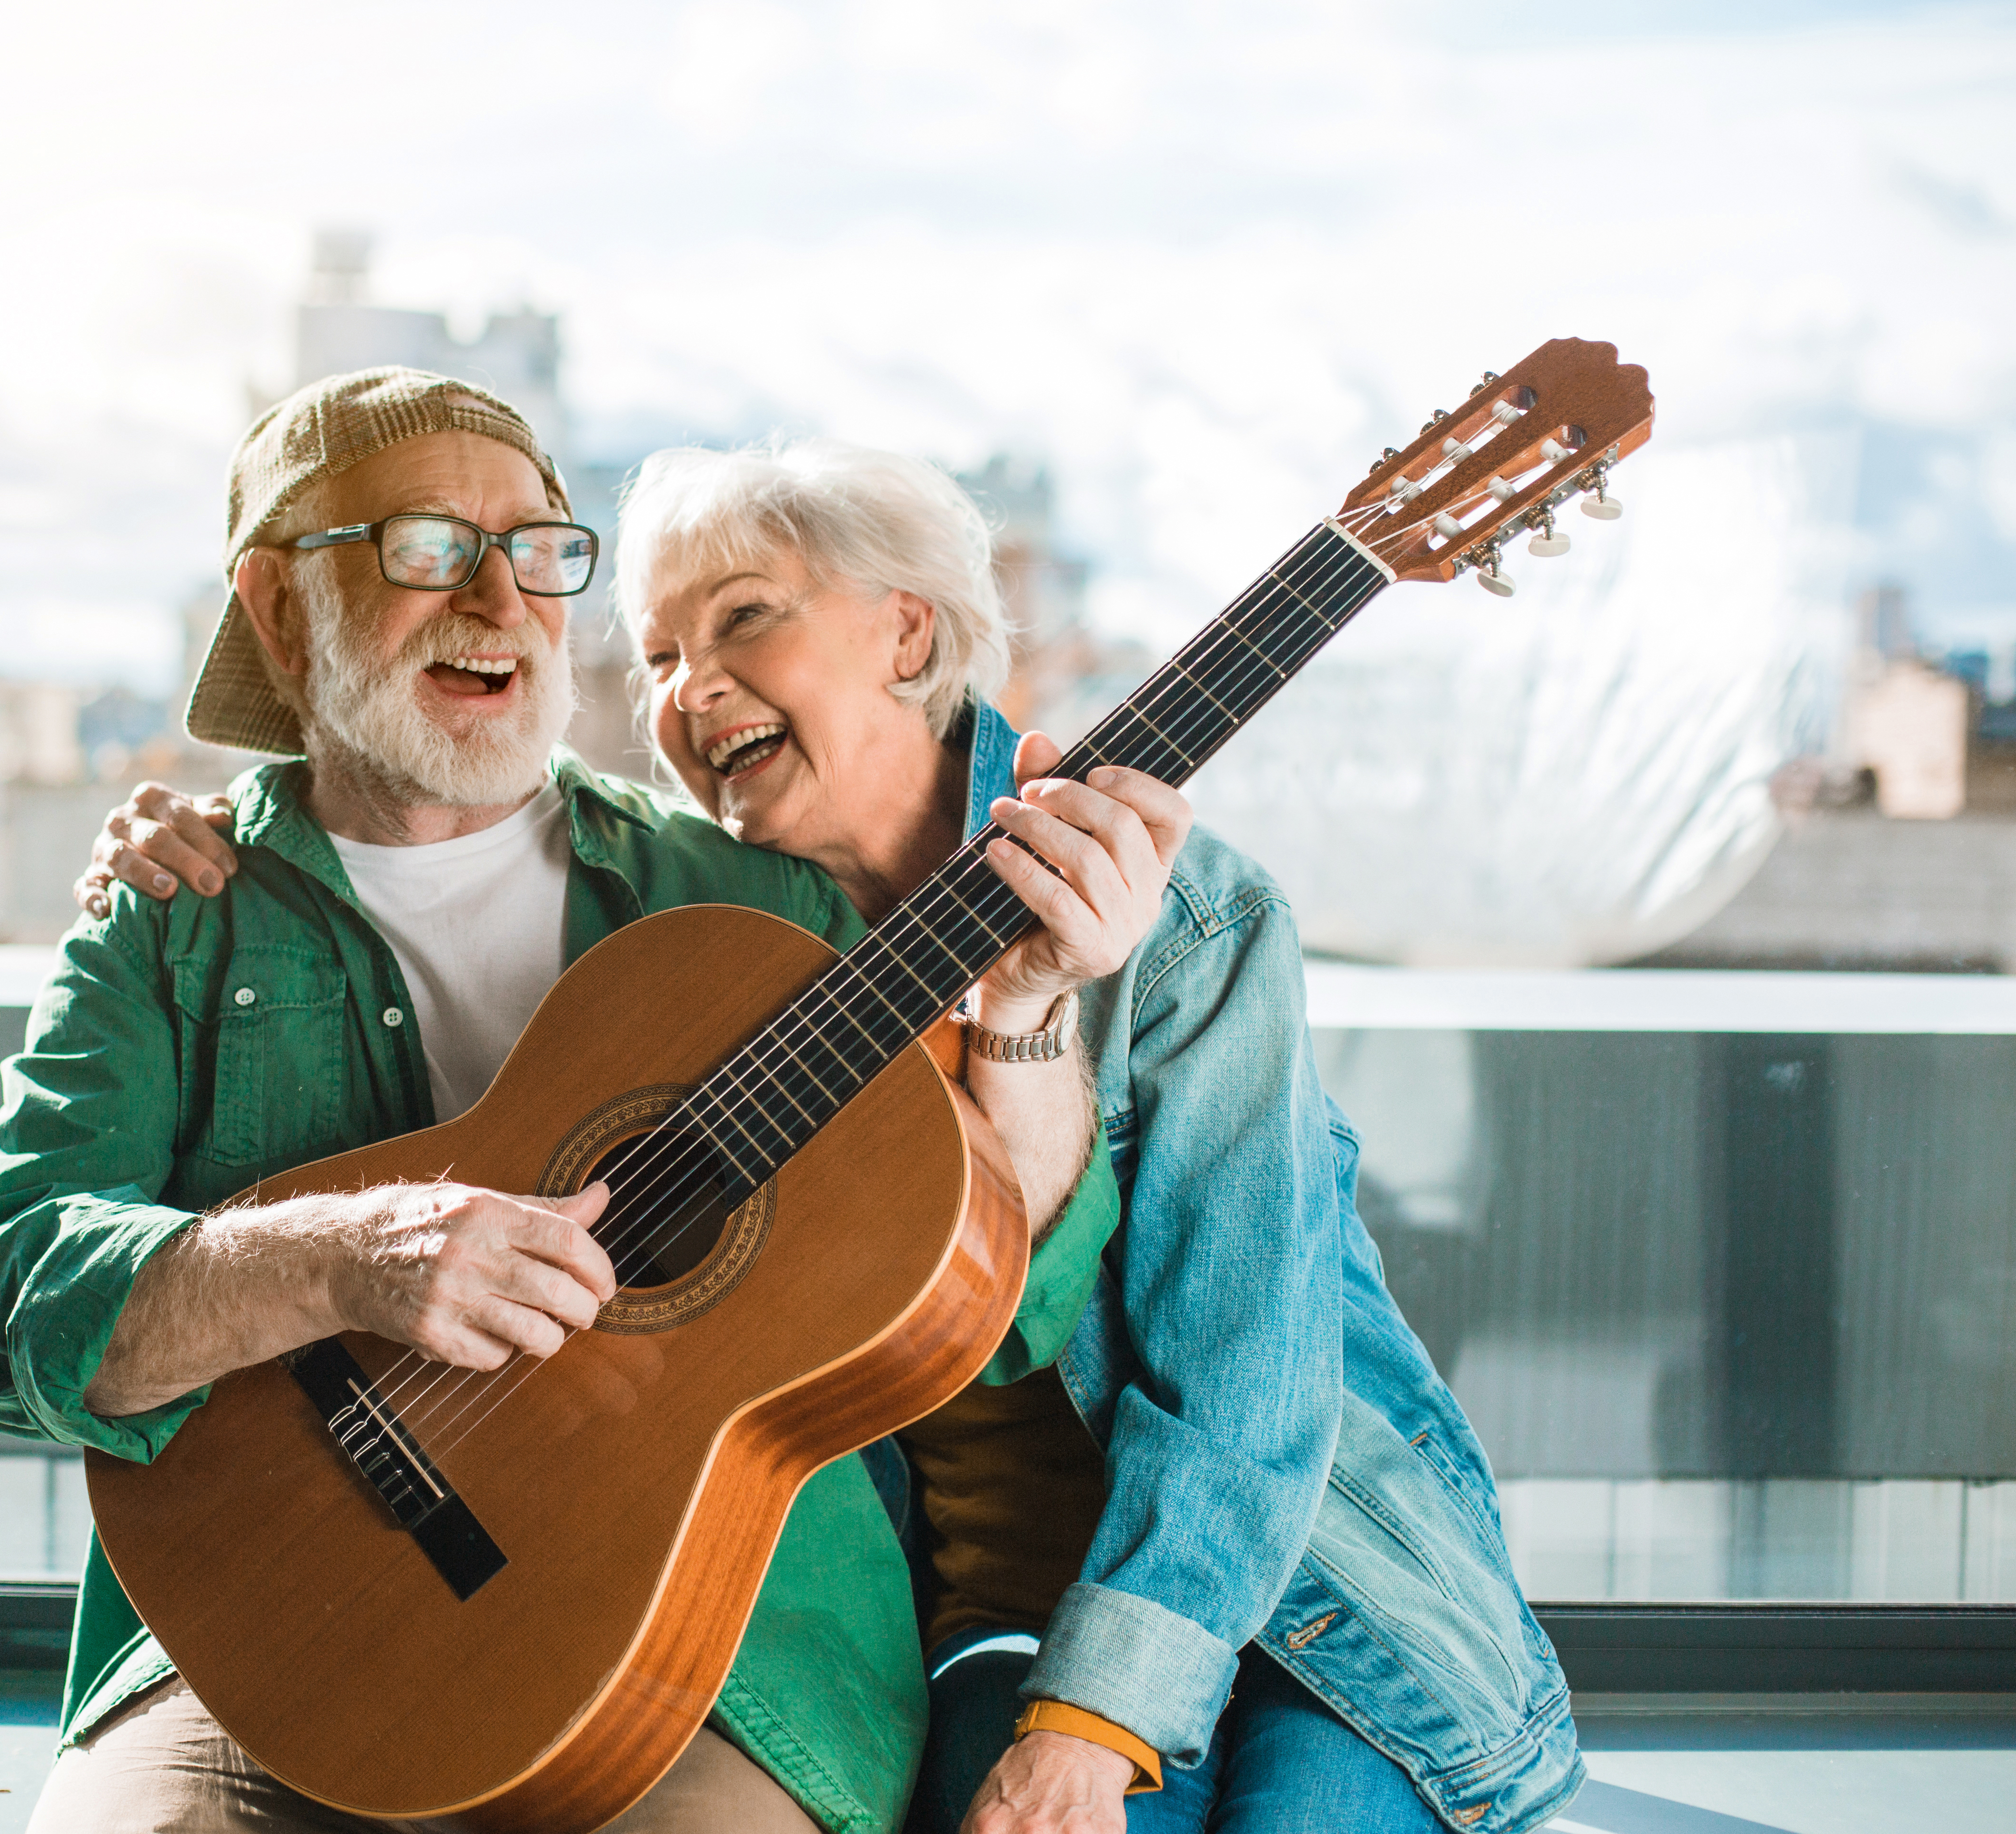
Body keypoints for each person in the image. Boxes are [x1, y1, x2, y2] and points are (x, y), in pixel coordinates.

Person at [84, 439, 1587, 1834]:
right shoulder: (689, 934)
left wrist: (1092, 1718)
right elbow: (418, 808)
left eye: (742, 623)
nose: (688, 689)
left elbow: (1250, 1388)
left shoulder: (1178, 920)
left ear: (909, 639)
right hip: (974, 1623)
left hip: (1312, 1599)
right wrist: (182, 831)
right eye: (659, 657)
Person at [0, 370, 1186, 1834]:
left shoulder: (743, 899)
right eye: (424, 547)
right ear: (279, 608)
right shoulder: (171, 914)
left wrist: (1025, 1010)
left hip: (713, 1652)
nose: (500, 596)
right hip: (256, 1630)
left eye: (538, 548)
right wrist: (341, 1260)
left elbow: (1006, 1285)